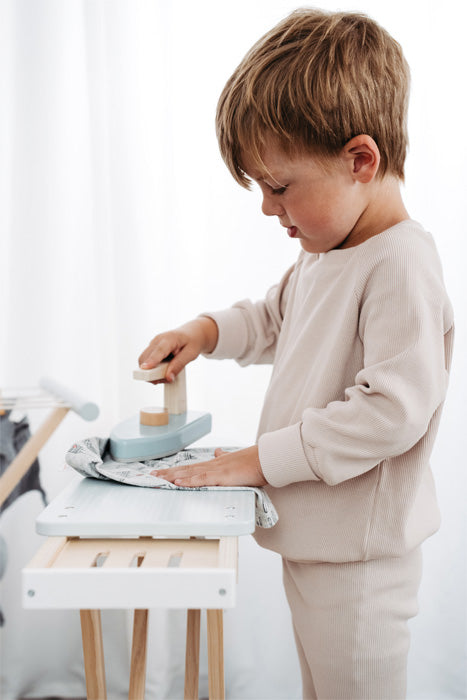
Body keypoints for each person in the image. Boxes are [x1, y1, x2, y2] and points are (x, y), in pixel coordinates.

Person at [138, 9, 454, 699]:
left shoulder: (399, 262)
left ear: (359, 160)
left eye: (278, 187)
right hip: (314, 539)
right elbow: (273, 319)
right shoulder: (326, 253)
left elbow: (390, 411)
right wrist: (205, 331)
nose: (265, 208)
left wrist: (256, 461)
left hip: (361, 560)